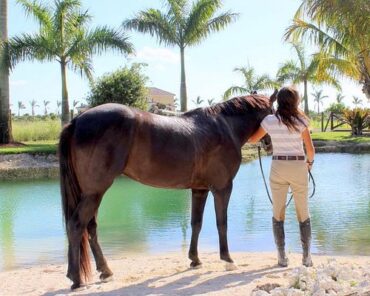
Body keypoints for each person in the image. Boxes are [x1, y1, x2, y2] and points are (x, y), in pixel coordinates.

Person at [248, 86, 315, 267]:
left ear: (278, 101)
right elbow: (310, 150)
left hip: (278, 166)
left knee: (278, 212)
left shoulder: (270, 120)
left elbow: (253, 139)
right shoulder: (301, 120)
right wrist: (309, 164)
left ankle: (281, 257)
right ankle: (307, 257)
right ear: (295, 101)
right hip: (298, 166)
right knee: (303, 212)